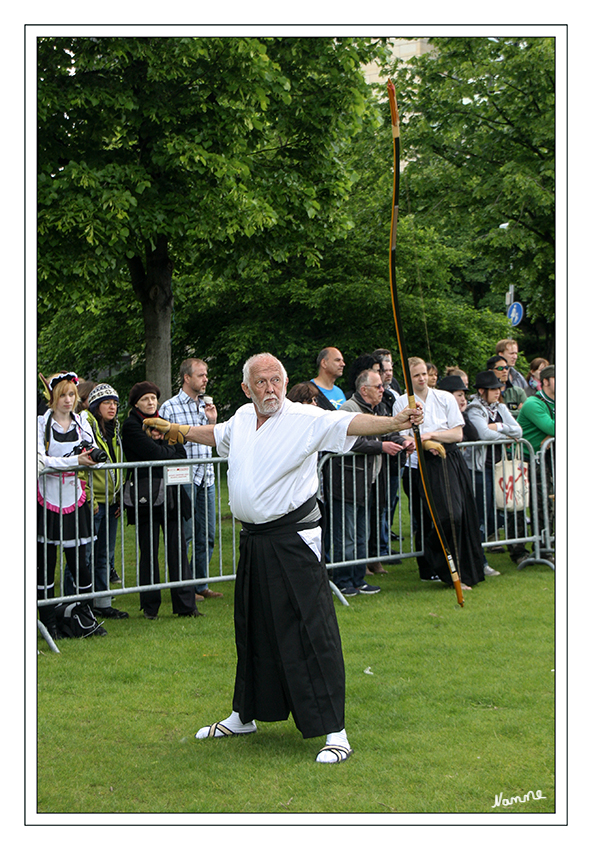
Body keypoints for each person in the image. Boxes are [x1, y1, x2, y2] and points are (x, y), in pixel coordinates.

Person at [143, 353, 423, 764]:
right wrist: (180, 430)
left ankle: (335, 731)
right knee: (253, 627)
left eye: (276, 380)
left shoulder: (304, 418)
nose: (270, 388)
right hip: (255, 541)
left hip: (295, 539)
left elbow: (348, 423)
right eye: (261, 382)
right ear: (246, 388)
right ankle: (245, 714)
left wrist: (397, 422)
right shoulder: (240, 418)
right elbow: (217, 435)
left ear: (285, 380)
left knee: (312, 629)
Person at [393, 358, 484, 589]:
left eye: (424, 374)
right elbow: (401, 435)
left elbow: (457, 434)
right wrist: (420, 441)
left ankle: (458, 570)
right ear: (408, 378)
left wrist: (430, 436)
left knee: (453, 515)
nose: (422, 379)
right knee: (423, 520)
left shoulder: (444, 398)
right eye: (416, 375)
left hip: (448, 460)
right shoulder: (401, 403)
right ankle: (430, 568)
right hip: (418, 466)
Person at [327, 369, 413, 592]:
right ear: (363, 390)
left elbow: (389, 433)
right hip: (347, 483)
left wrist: (403, 441)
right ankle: (343, 581)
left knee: (362, 534)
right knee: (346, 535)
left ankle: (358, 579)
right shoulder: (348, 409)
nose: (383, 390)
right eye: (378, 387)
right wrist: (380, 447)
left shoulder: (381, 408)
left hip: (369, 482)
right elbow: (347, 442)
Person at [121, 381, 200, 620]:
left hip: (172, 494)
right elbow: (155, 454)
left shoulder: (163, 423)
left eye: (154, 398)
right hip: (146, 496)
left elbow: (182, 452)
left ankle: (186, 605)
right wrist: (166, 449)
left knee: (178, 548)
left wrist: (166, 446)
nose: (151, 402)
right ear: (136, 403)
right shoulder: (131, 425)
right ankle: (150, 606)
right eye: (145, 399)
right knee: (149, 550)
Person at [37, 372, 106, 639]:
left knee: (80, 561)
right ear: (53, 397)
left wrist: (89, 458)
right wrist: (75, 461)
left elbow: (94, 454)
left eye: (71, 395)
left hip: (74, 497)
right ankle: (48, 624)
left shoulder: (82, 423)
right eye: (63, 395)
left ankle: (86, 619)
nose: (68, 400)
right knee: (46, 562)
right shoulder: (40, 424)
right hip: (47, 499)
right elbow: (41, 461)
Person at [159, 359, 222, 602]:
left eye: (206, 375)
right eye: (201, 375)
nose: (205, 379)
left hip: (206, 476)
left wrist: (212, 422)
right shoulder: (170, 407)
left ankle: (200, 583)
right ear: (187, 378)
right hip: (182, 476)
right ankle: (183, 586)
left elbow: (213, 441)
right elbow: (163, 443)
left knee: (207, 533)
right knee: (183, 534)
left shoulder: (205, 407)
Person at [464, 372, 523, 573]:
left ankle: (476, 556)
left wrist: (497, 426)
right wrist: (505, 434)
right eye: (493, 389)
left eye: (499, 388)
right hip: (480, 469)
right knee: (483, 515)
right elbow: (483, 434)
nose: (498, 392)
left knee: (498, 513)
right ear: (482, 391)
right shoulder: (474, 409)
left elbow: (519, 431)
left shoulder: (501, 407)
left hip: (498, 468)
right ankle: (480, 561)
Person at [80, 383, 128, 619]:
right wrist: (89, 498)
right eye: (108, 402)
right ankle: (79, 604)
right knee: (84, 555)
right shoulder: (85, 426)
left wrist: (118, 498)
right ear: (97, 405)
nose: (113, 407)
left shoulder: (114, 429)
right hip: (93, 501)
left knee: (103, 556)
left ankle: (101, 603)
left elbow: (118, 465)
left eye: (115, 403)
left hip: (111, 501)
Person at [517, 364, 555, 553]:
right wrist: (552, 434)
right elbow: (552, 427)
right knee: (518, 505)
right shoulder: (534, 403)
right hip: (522, 460)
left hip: (543, 459)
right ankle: (519, 551)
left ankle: (546, 544)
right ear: (545, 382)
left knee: (546, 502)